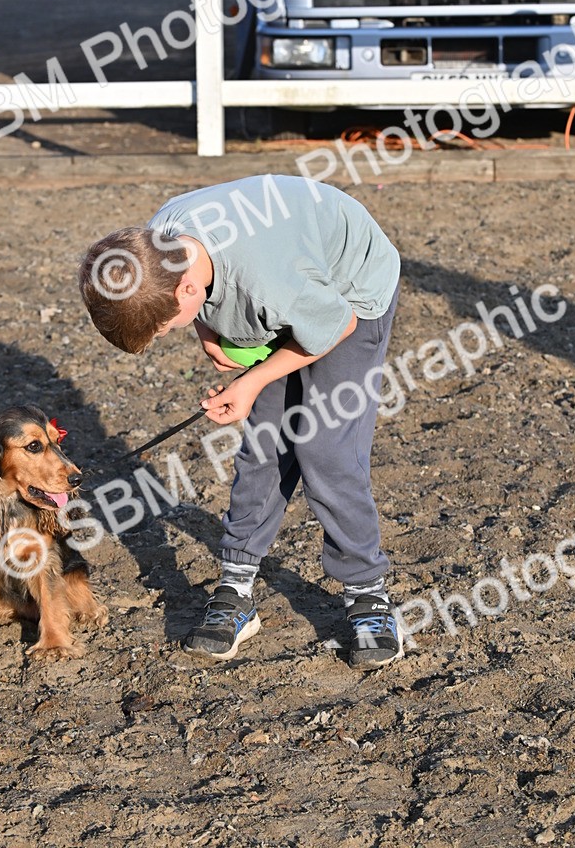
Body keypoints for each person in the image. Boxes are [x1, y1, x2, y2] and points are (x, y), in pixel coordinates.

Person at [79, 174, 403, 669]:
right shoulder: (156, 244)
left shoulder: (268, 279)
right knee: (265, 446)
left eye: (167, 327)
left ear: (188, 287)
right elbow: (203, 302)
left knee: (325, 449)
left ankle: (368, 593)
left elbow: (337, 323)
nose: (170, 334)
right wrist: (209, 332)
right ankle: (236, 587)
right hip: (285, 285)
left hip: (351, 293)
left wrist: (250, 381)